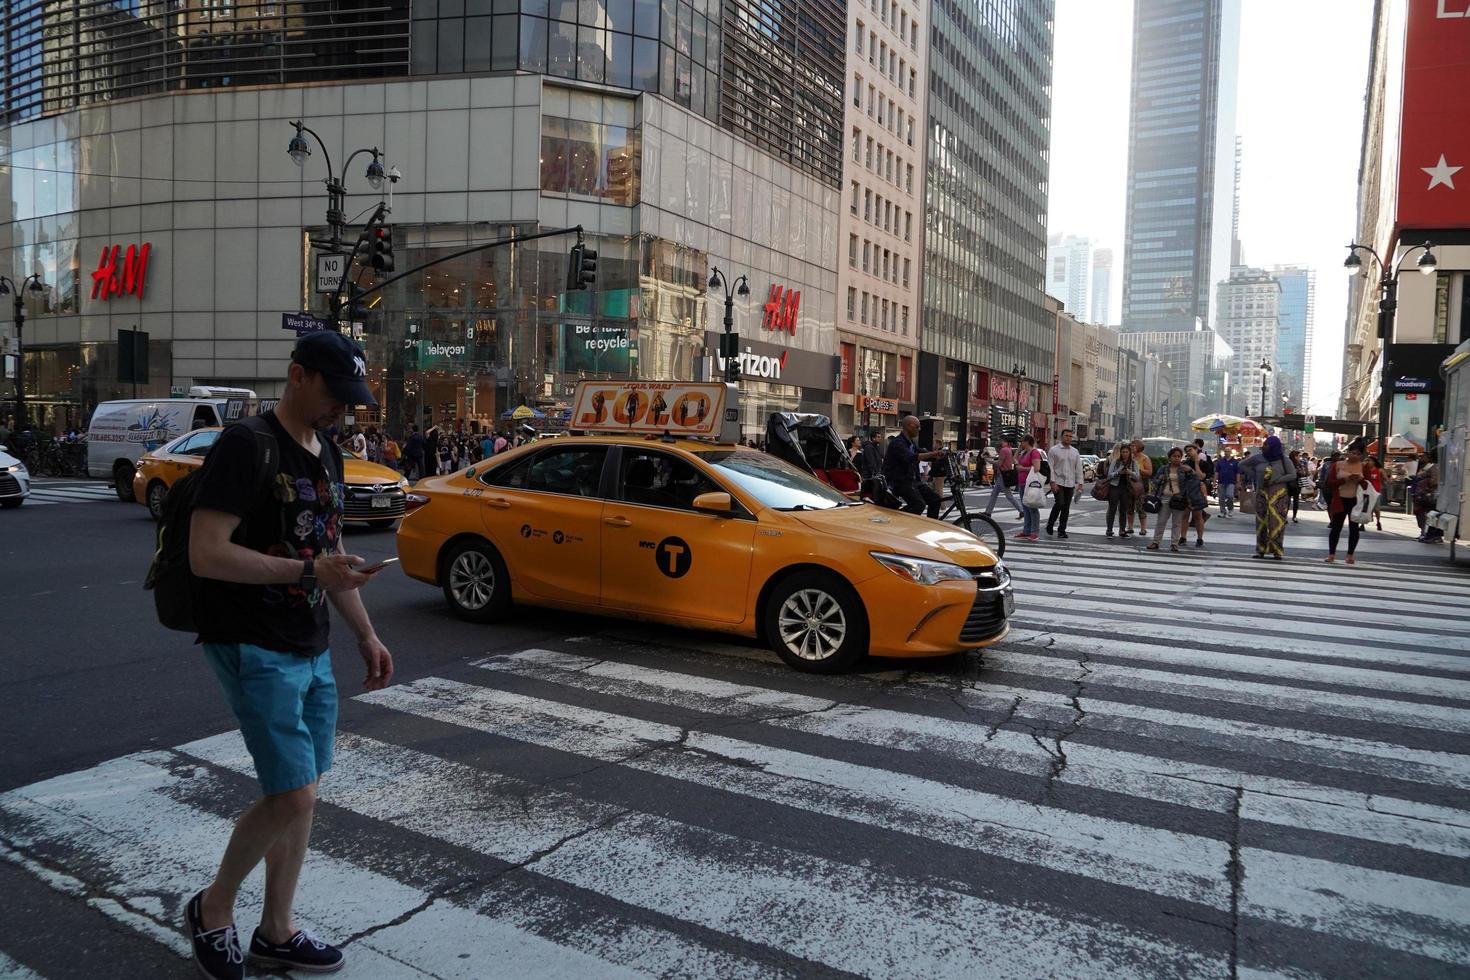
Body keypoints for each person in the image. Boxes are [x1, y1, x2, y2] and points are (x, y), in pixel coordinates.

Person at [184, 331, 394, 980]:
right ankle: (213, 909)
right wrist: (304, 574)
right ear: (297, 376)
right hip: (251, 641)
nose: (343, 410)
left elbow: (326, 564)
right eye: (335, 395)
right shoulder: (245, 446)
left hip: (310, 644)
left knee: (300, 790)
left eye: (351, 399)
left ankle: (276, 930)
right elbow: (206, 552)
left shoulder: (327, 454)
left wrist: (363, 631)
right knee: (294, 793)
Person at [883, 415, 946, 519]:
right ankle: (894, 520)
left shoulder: (910, 443)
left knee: (935, 500)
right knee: (918, 505)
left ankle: (930, 526)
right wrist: (933, 454)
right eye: (917, 427)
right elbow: (911, 457)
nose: (919, 429)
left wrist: (936, 456)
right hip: (899, 482)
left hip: (913, 481)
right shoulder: (898, 443)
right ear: (909, 426)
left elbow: (921, 452)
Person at [1247, 436, 1296, 560]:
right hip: (1262, 493)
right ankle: (1260, 550)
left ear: (1274, 446)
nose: (1264, 446)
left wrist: (1278, 480)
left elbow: (1292, 475)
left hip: (1279, 495)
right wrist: (1255, 475)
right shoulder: (1259, 459)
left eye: (1267, 444)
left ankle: (1277, 551)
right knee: (1261, 521)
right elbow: (1243, 465)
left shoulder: (1284, 460)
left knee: (1277, 522)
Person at [1145, 448, 1199, 552]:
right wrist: (1159, 479)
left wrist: (1191, 471)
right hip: (1165, 497)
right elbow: (1154, 481)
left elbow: (1194, 480)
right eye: (1174, 456)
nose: (1177, 458)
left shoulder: (1184, 468)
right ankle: (1156, 542)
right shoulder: (1164, 468)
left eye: (1179, 456)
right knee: (1161, 521)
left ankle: (1174, 543)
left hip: (1179, 498)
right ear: (1170, 457)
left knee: (1177, 523)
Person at [1324, 441, 1370, 564]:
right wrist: (1344, 479)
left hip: (1356, 501)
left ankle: (1350, 554)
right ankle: (1331, 554)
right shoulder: (1337, 465)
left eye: (1358, 454)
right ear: (1347, 452)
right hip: (1340, 499)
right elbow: (1330, 483)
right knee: (1336, 527)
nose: (1355, 455)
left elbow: (1368, 486)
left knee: (1354, 528)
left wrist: (1360, 480)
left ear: (1362, 455)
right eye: (1353, 452)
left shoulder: (1364, 466)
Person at [1046, 428, 1082, 539]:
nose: (1068, 438)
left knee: (1066, 508)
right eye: (1066, 436)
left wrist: (1080, 483)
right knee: (1060, 503)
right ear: (1062, 436)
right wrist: (1052, 482)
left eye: (1070, 436)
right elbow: (1050, 467)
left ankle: (1062, 530)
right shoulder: (1054, 450)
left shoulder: (1075, 452)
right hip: (1058, 481)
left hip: (1070, 483)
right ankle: (1050, 524)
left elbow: (1078, 468)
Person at [982, 437, 1025, 520]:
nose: (1000, 442)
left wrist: (988, 460)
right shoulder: (1008, 450)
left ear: (1005, 442)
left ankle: (1022, 510)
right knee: (994, 494)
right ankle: (988, 512)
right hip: (1004, 474)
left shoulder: (1004, 450)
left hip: (1003, 475)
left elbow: (999, 463)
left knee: (1009, 496)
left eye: (1001, 441)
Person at [1105, 442, 1140, 538]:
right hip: (1115, 486)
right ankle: (1109, 530)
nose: (1125, 454)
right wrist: (1118, 472)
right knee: (1112, 509)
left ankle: (1122, 530)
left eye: (1127, 452)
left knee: (1123, 510)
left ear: (1130, 453)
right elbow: (1109, 475)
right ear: (1120, 453)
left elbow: (1137, 477)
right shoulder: (1116, 461)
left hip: (1127, 488)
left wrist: (1130, 472)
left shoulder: (1133, 462)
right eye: (1123, 452)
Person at [1014, 435, 1046, 541]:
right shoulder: (1024, 453)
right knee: (1026, 507)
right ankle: (1026, 530)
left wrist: (1022, 468)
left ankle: (1034, 532)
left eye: (1021, 441)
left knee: (1032, 507)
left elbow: (1036, 468)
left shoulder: (1034, 452)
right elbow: (1014, 459)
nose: (1020, 443)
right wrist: (1019, 449)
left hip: (1030, 484)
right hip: (1022, 483)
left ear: (1027, 441)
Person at [1179, 443, 1210, 547]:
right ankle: (1183, 537)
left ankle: (1200, 538)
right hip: (1187, 491)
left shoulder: (1204, 463)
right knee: (1185, 515)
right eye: (1187, 451)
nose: (1189, 452)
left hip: (1198, 492)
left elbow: (1201, 477)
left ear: (1196, 450)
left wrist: (1196, 465)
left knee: (1198, 516)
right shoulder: (1185, 463)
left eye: (1191, 450)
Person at [1125, 439, 1154, 537]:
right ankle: (1130, 527)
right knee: (1129, 506)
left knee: (1141, 507)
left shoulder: (1144, 458)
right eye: (1131, 446)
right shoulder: (1129, 457)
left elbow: (1149, 472)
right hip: (1129, 485)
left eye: (1134, 446)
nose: (1132, 448)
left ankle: (1143, 529)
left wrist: (1137, 470)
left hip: (1141, 486)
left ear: (1139, 447)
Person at [1215, 450, 1240, 517]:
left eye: (1228, 451)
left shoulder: (1235, 462)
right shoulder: (1220, 461)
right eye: (1226, 451)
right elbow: (1217, 472)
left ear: (1230, 453)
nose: (1227, 452)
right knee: (1221, 497)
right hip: (1221, 481)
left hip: (1231, 482)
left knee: (1230, 496)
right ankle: (1222, 511)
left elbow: (1237, 473)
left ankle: (1230, 509)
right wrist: (1215, 481)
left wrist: (1238, 482)